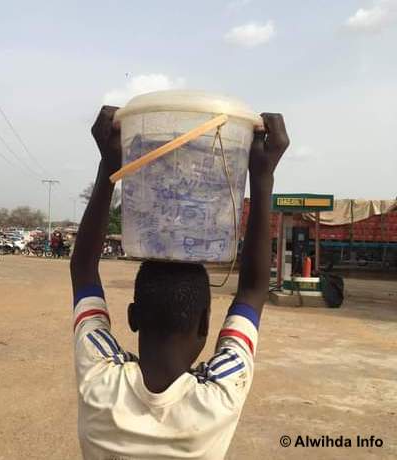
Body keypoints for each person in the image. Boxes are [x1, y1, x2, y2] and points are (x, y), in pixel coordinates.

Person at [70, 106, 289, 460]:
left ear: (132, 316)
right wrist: (262, 179)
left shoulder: (100, 380)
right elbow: (253, 289)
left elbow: (82, 271)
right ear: (205, 323)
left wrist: (109, 166)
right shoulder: (219, 396)